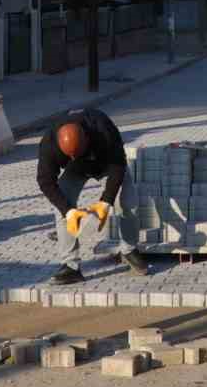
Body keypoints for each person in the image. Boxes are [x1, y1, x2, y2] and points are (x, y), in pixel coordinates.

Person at [36, 107, 147, 285]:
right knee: (61, 209)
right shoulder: (49, 144)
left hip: (106, 164)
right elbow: (45, 182)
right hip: (76, 169)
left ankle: (129, 249)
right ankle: (70, 266)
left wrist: (106, 202)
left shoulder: (103, 128)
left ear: (87, 138)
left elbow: (118, 166)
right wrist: (68, 211)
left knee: (127, 202)